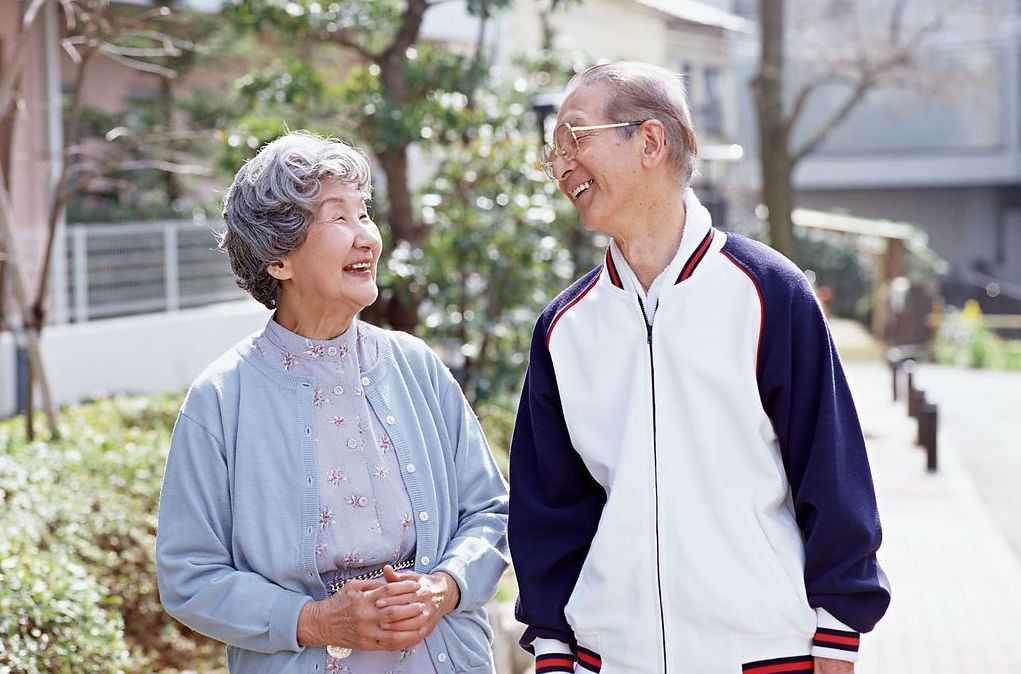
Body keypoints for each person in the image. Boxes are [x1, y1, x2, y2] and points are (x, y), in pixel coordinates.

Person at [509, 62, 890, 674]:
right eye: (554, 151)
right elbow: (549, 505)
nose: (561, 166)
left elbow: (830, 469)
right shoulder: (564, 327)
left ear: (650, 142)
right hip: (612, 658)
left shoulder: (769, 292)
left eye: (574, 138)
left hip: (763, 655)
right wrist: (553, 649)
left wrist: (838, 634)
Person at [156, 131, 508, 674]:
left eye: (364, 214)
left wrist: (444, 587)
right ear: (279, 259)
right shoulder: (221, 400)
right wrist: (316, 620)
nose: (366, 237)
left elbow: (489, 510)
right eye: (339, 217)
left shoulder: (416, 365)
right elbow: (190, 575)